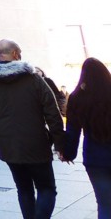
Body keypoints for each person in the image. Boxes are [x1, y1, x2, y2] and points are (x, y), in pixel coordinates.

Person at [0, 39, 65, 219]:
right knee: (47, 189)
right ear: (15, 53)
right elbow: (52, 113)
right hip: (36, 144)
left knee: (23, 189)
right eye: (20, 51)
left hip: (9, 147)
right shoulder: (33, 79)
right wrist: (60, 144)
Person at [61, 57, 111, 219]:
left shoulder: (77, 98)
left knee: (104, 204)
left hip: (95, 158)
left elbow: (72, 131)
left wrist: (68, 153)